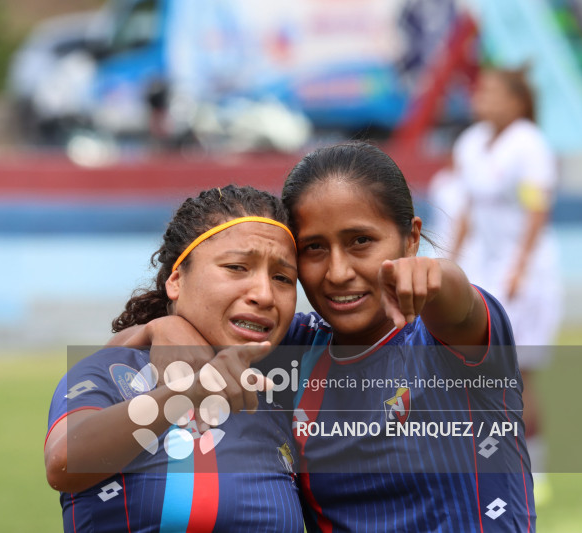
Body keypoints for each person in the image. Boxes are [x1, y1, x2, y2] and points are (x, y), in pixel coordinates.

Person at [115, 142, 536, 531]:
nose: (338, 272)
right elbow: (117, 356)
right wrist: (163, 326)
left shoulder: (449, 345)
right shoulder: (293, 351)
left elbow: (458, 303)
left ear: (410, 238)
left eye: (361, 241)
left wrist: (438, 275)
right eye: (314, 248)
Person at [45, 185, 305, 532]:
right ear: (176, 281)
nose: (264, 294)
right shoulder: (112, 370)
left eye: (282, 278)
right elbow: (64, 463)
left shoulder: (284, 386)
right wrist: (187, 391)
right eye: (237, 267)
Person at [451, 66, 562, 504]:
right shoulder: (470, 144)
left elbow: (537, 209)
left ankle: (537, 468)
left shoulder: (529, 144)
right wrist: (451, 262)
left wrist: (520, 266)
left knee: (518, 375)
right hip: (485, 272)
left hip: (528, 277)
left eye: (494, 91)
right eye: (481, 90)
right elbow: (466, 210)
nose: (483, 98)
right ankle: (484, 462)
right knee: (473, 370)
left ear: (517, 102)